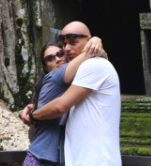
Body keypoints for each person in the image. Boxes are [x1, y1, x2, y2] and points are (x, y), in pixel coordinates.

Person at [29, 21, 121, 166]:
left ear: (89, 41)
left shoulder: (93, 65)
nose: (66, 49)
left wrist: (32, 115)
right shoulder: (72, 78)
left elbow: (60, 106)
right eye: (64, 44)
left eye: (73, 43)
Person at [20, 37, 104, 166]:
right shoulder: (55, 76)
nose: (58, 59)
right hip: (41, 159)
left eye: (60, 54)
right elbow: (91, 54)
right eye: (50, 58)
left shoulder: (75, 81)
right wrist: (95, 41)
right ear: (46, 67)